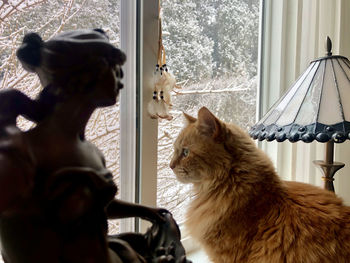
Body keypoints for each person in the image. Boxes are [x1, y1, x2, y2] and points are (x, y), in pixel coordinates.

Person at [0, 29, 189, 263]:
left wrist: (146, 212)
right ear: (83, 76)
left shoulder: (87, 150)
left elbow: (91, 206)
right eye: (112, 66)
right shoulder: (23, 156)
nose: (121, 75)